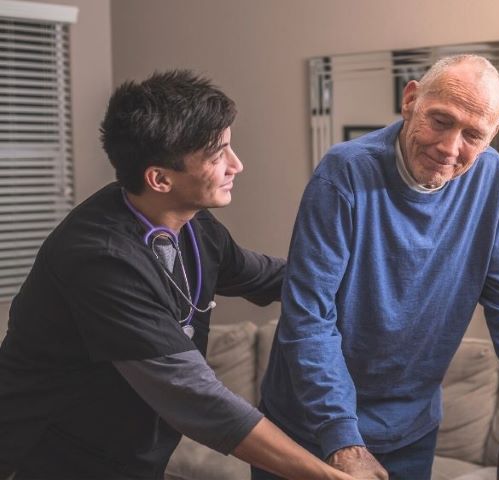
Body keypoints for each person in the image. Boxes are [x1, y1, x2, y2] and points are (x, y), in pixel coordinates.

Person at [0, 70, 358, 480]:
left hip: (130, 454)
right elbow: (198, 400)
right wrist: (328, 475)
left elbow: (271, 277)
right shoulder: (99, 259)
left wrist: (369, 278)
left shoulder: (195, 226)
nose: (236, 165)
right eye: (216, 155)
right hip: (43, 458)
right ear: (160, 178)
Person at [255, 55, 499, 480]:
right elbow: (309, 317)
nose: (449, 148)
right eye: (441, 120)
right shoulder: (345, 172)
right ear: (410, 100)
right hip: (309, 427)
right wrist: (342, 438)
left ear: (493, 135)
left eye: (472, 134)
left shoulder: (489, 177)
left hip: (409, 429)